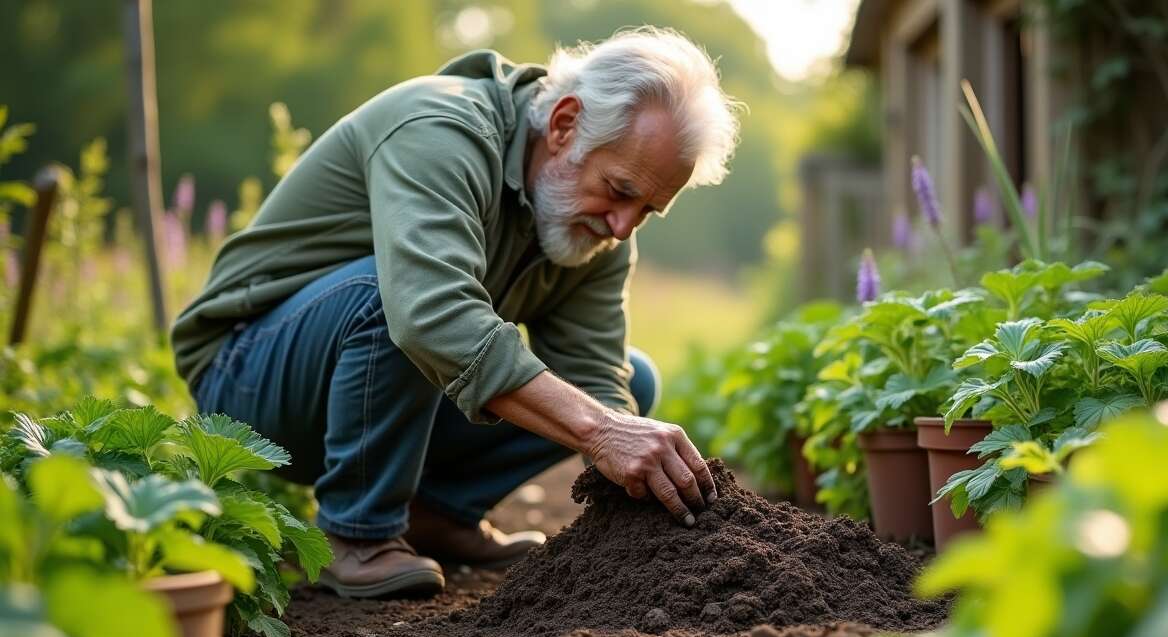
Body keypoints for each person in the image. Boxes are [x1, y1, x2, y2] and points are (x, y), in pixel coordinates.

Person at [171, 28, 742, 599]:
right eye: (618, 190)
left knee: (633, 384)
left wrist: (637, 505)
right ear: (565, 124)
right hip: (252, 379)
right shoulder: (441, 129)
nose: (622, 227)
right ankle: (359, 534)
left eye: (647, 210)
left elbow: (595, 373)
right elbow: (429, 315)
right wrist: (601, 431)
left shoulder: (595, 228)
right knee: (396, 296)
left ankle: (435, 514)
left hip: (383, 393)